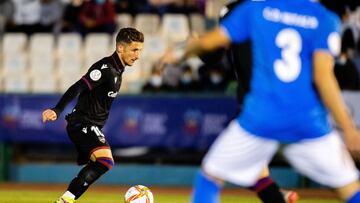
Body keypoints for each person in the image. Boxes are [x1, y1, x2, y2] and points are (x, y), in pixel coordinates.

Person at [162, 0, 360, 203]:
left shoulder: (253, 10)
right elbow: (323, 77)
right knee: (350, 189)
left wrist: (180, 53)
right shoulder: (324, 18)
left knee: (210, 177)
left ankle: (275, 197)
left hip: (261, 116)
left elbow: (206, 44)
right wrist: (349, 128)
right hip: (306, 120)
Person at [198, 0, 298, 202]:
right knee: (344, 180)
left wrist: (199, 46)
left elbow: (213, 56)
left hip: (257, 104)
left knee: (214, 169)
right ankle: (278, 195)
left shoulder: (236, 9)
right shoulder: (290, 8)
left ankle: (276, 195)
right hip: (297, 103)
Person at [42, 27, 144, 203]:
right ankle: (65, 200)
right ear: (120, 48)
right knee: (105, 161)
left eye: (140, 50)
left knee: (101, 163)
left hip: (90, 125)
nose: (138, 55)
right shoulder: (105, 68)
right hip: (82, 123)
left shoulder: (118, 71)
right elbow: (78, 87)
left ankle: (67, 199)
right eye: (134, 49)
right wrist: (57, 110)